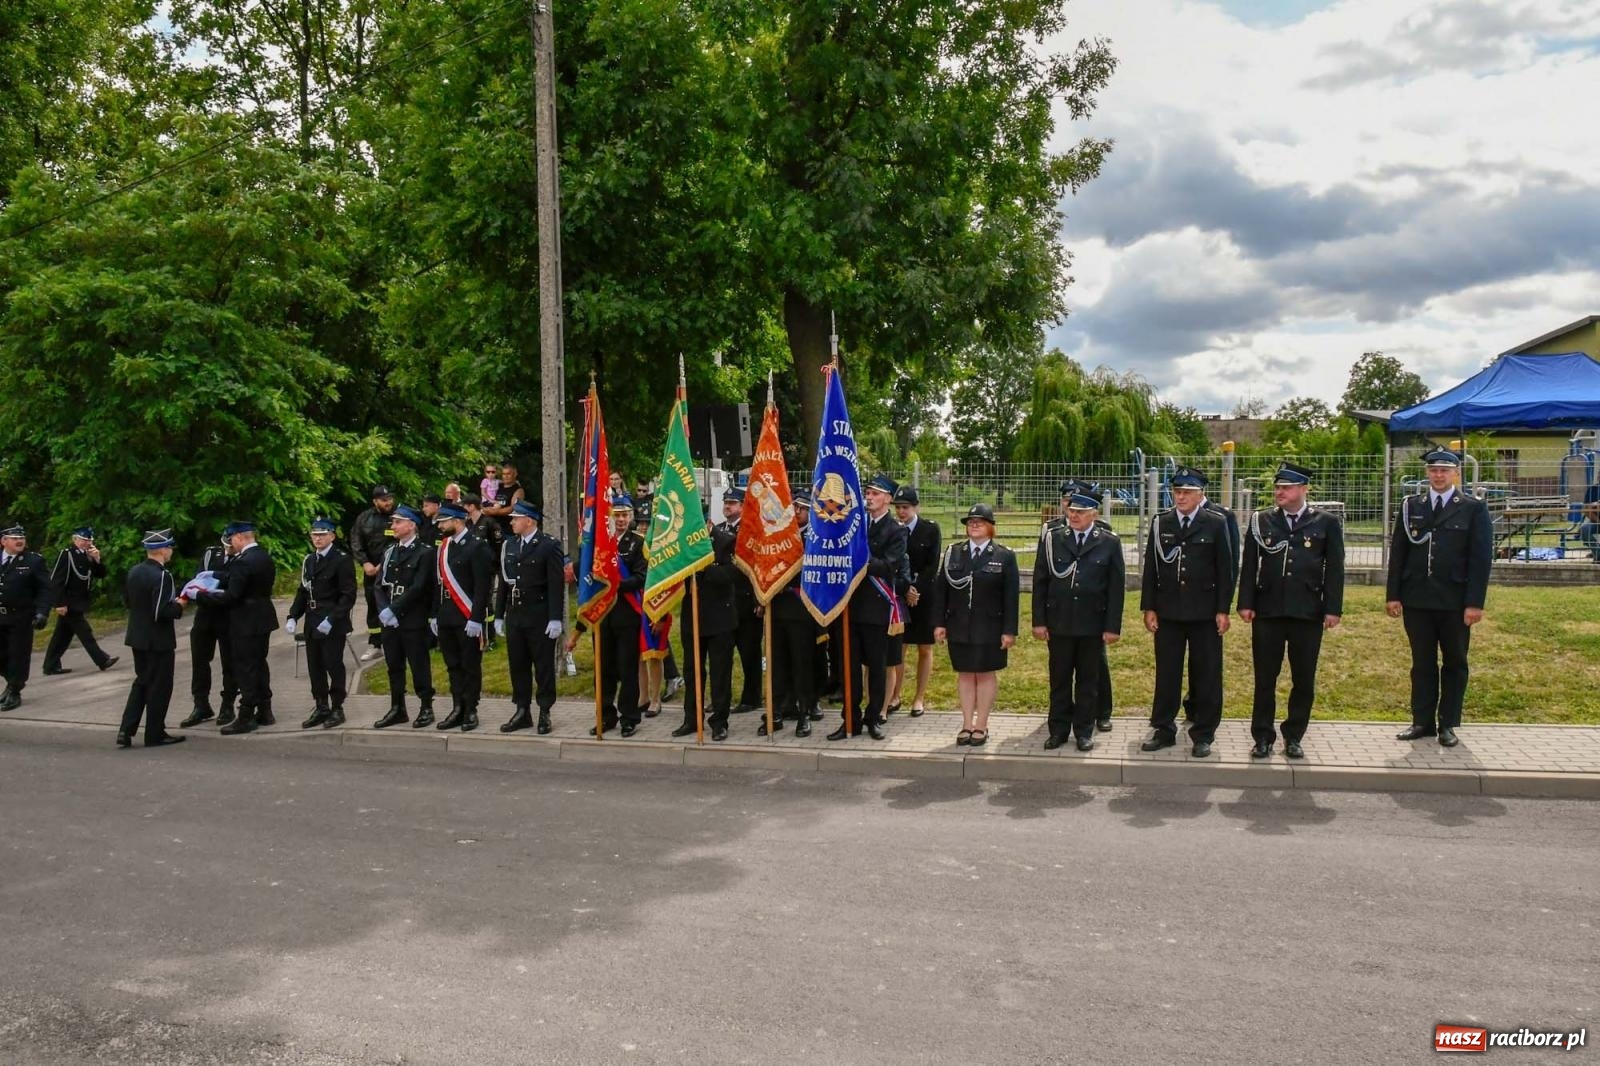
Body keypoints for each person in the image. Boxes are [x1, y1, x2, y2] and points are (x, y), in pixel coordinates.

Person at [1386, 447, 1493, 748]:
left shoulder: (1473, 508)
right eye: (1433, 470)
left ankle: (1448, 723)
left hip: (1454, 601)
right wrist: (1393, 594)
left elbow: (1480, 559)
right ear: (1427, 473)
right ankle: (1422, 721)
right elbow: (1399, 553)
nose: (1438, 475)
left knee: (1455, 662)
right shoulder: (1412, 506)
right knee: (1421, 663)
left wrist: (1475, 602)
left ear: (1456, 473)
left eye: (1445, 470)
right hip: (1417, 598)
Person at [1238, 462, 1345, 759]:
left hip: (1307, 612)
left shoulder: (1325, 523)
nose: (1279, 492)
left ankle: (1294, 735)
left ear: (1303, 489)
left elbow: (1335, 569)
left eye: (1286, 487)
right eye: (1277, 487)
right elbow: (1249, 566)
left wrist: (1332, 608)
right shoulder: (1262, 520)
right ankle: (1262, 736)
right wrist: (1245, 602)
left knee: (1303, 679)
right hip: (1268, 610)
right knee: (1265, 678)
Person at [1140, 467, 1235, 758]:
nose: (1180, 497)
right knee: (1167, 672)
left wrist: (1223, 609)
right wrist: (1149, 606)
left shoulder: (1216, 523)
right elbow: (1151, 567)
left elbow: (1226, 569)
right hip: (1169, 610)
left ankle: (1203, 733)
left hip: (1204, 611)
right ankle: (1164, 728)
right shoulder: (1161, 522)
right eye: (1176, 491)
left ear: (1200, 494)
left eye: (1186, 492)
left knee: (1207, 673)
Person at [1032, 486, 1124, 751]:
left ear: (1093, 514)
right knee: (1059, 679)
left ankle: (1084, 731)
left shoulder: (1108, 542)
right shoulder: (1053, 539)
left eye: (1080, 512)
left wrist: (1112, 626)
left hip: (1091, 623)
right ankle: (1058, 730)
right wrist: (1039, 621)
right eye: (1071, 510)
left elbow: (1115, 589)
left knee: (1088, 681)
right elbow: (1041, 581)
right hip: (1059, 621)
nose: (1074, 515)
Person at [930, 504, 1019, 747]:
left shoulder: (1004, 556)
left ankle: (982, 725)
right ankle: (967, 724)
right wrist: (939, 623)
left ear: (991, 526)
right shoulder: (953, 553)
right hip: (959, 625)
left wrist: (1009, 630)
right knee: (966, 674)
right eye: (970, 522)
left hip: (990, 627)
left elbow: (1011, 597)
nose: (974, 525)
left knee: (986, 674)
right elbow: (941, 592)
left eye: (980, 521)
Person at [830, 474, 907, 742]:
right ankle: (849, 719)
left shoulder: (896, 531)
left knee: (876, 666)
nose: (870, 497)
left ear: (888, 498)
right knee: (848, 667)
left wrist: (858, 559)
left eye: (875, 493)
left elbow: (889, 566)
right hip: (848, 605)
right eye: (868, 492)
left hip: (875, 608)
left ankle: (873, 717)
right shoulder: (853, 525)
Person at [195, 521, 278, 735]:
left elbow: (232, 595)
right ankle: (265, 709)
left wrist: (203, 596)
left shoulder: (242, 561)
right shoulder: (262, 556)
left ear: (240, 537)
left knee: (246, 668)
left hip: (245, 621)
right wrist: (216, 576)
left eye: (231, 540)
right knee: (260, 665)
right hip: (263, 617)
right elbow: (243, 579)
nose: (230, 544)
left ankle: (246, 715)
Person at [495, 500, 565, 734]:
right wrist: (499, 615)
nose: (512, 522)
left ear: (530, 520)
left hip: (539, 614)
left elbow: (556, 585)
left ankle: (544, 711)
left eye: (516, 518)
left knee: (543, 666)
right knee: (518, 665)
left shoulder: (548, 545)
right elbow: (504, 582)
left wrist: (556, 618)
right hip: (515, 614)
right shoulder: (510, 545)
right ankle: (522, 710)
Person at [116, 528, 189, 748]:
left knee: (142, 683)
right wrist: (180, 604)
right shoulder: (162, 575)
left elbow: (128, 601)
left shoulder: (134, 571)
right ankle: (154, 733)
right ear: (162, 550)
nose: (171, 551)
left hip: (137, 636)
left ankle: (126, 729)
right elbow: (161, 611)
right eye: (169, 547)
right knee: (160, 686)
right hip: (158, 639)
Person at [285, 516, 358, 729]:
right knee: (315, 666)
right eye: (314, 534)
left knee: (333, 664)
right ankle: (321, 705)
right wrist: (292, 615)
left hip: (332, 621)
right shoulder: (310, 560)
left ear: (332, 536)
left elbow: (348, 595)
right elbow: (303, 591)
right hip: (312, 619)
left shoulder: (341, 560)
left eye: (322, 534)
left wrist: (332, 619)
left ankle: (337, 707)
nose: (317, 538)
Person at [673, 517, 737, 741]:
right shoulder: (683, 543)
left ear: (708, 522)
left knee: (720, 673)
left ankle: (719, 722)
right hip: (693, 618)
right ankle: (692, 718)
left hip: (720, 618)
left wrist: (703, 568)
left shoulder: (726, 541)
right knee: (692, 672)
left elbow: (732, 574)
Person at [373, 505, 437, 728]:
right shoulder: (390, 551)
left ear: (411, 525)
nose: (394, 526)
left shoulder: (425, 552)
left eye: (398, 522)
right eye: (393, 522)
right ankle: (397, 707)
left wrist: (395, 609)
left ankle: (426, 706)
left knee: (418, 663)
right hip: (390, 618)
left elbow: (419, 587)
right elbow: (379, 585)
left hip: (412, 617)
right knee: (394, 665)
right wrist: (384, 610)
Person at [432, 501, 493, 732]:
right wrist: (434, 615)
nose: (440, 526)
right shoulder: (444, 546)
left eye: (443, 521)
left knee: (470, 665)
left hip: (467, 616)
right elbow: (438, 584)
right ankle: (457, 706)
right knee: (452, 664)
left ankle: (470, 709)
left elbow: (482, 587)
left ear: (457, 520)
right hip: (447, 615)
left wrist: (477, 618)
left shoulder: (477, 547)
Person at [763, 489, 818, 737]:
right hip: (776, 607)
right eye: (794, 508)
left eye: (802, 509)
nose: (797, 512)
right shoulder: (778, 534)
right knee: (777, 664)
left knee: (802, 664)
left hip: (801, 609)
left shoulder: (815, 537)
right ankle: (775, 711)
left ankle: (804, 713)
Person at [889, 485, 939, 716]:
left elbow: (932, 565)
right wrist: (905, 589)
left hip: (924, 595)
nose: (901, 512)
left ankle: (919, 698)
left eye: (905, 508)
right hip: (900, 594)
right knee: (900, 647)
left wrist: (915, 589)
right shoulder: (893, 530)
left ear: (916, 507)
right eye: (898, 508)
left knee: (924, 648)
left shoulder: (930, 529)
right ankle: (895, 695)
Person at [42, 526, 118, 675]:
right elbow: (56, 580)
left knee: (62, 636)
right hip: (69, 602)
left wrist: (97, 559)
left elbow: (101, 574)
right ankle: (102, 660)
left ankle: (50, 665)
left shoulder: (87, 555)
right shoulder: (67, 554)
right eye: (83, 540)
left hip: (80, 601)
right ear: (75, 539)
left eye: (88, 540)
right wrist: (59, 603)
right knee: (85, 632)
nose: (86, 543)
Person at [179, 534, 237, 728]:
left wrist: (216, 582)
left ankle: (228, 704)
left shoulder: (244, 558)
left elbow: (235, 585)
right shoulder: (211, 554)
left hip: (228, 615)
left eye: (231, 545)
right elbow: (199, 578)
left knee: (230, 662)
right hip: (205, 615)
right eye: (226, 545)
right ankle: (200, 704)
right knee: (199, 660)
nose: (229, 549)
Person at [714, 486, 763, 713]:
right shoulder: (718, 530)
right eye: (726, 502)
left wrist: (758, 600)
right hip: (723, 601)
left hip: (745, 600)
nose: (727, 506)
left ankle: (751, 698)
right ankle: (720, 698)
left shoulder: (751, 530)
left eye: (732, 502)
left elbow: (757, 567)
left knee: (749, 652)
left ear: (743, 506)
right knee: (722, 655)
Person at [0, 522, 55, 711]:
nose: (19, 541)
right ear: (3, 541)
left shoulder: (33, 561)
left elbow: (45, 589)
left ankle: (14, 690)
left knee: (18, 656)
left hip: (21, 617)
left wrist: (42, 612)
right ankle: (12, 683)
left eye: (22, 538)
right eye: (15, 538)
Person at [350, 485, 397, 660]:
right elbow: (355, 540)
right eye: (384, 500)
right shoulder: (364, 518)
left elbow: (399, 542)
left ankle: (395, 644)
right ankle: (375, 644)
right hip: (371, 572)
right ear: (375, 501)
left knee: (395, 606)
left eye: (390, 499)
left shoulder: (397, 516)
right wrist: (365, 562)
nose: (388, 502)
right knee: (373, 607)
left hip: (393, 570)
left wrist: (383, 564)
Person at [483, 461, 526, 538]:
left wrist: (492, 512)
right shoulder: (498, 486)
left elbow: (512, 508)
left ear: (515, 474)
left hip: (508, 530)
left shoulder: (518, 490)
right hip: (492, 527)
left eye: (508, 474)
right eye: (504, 474)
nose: (505, 476)